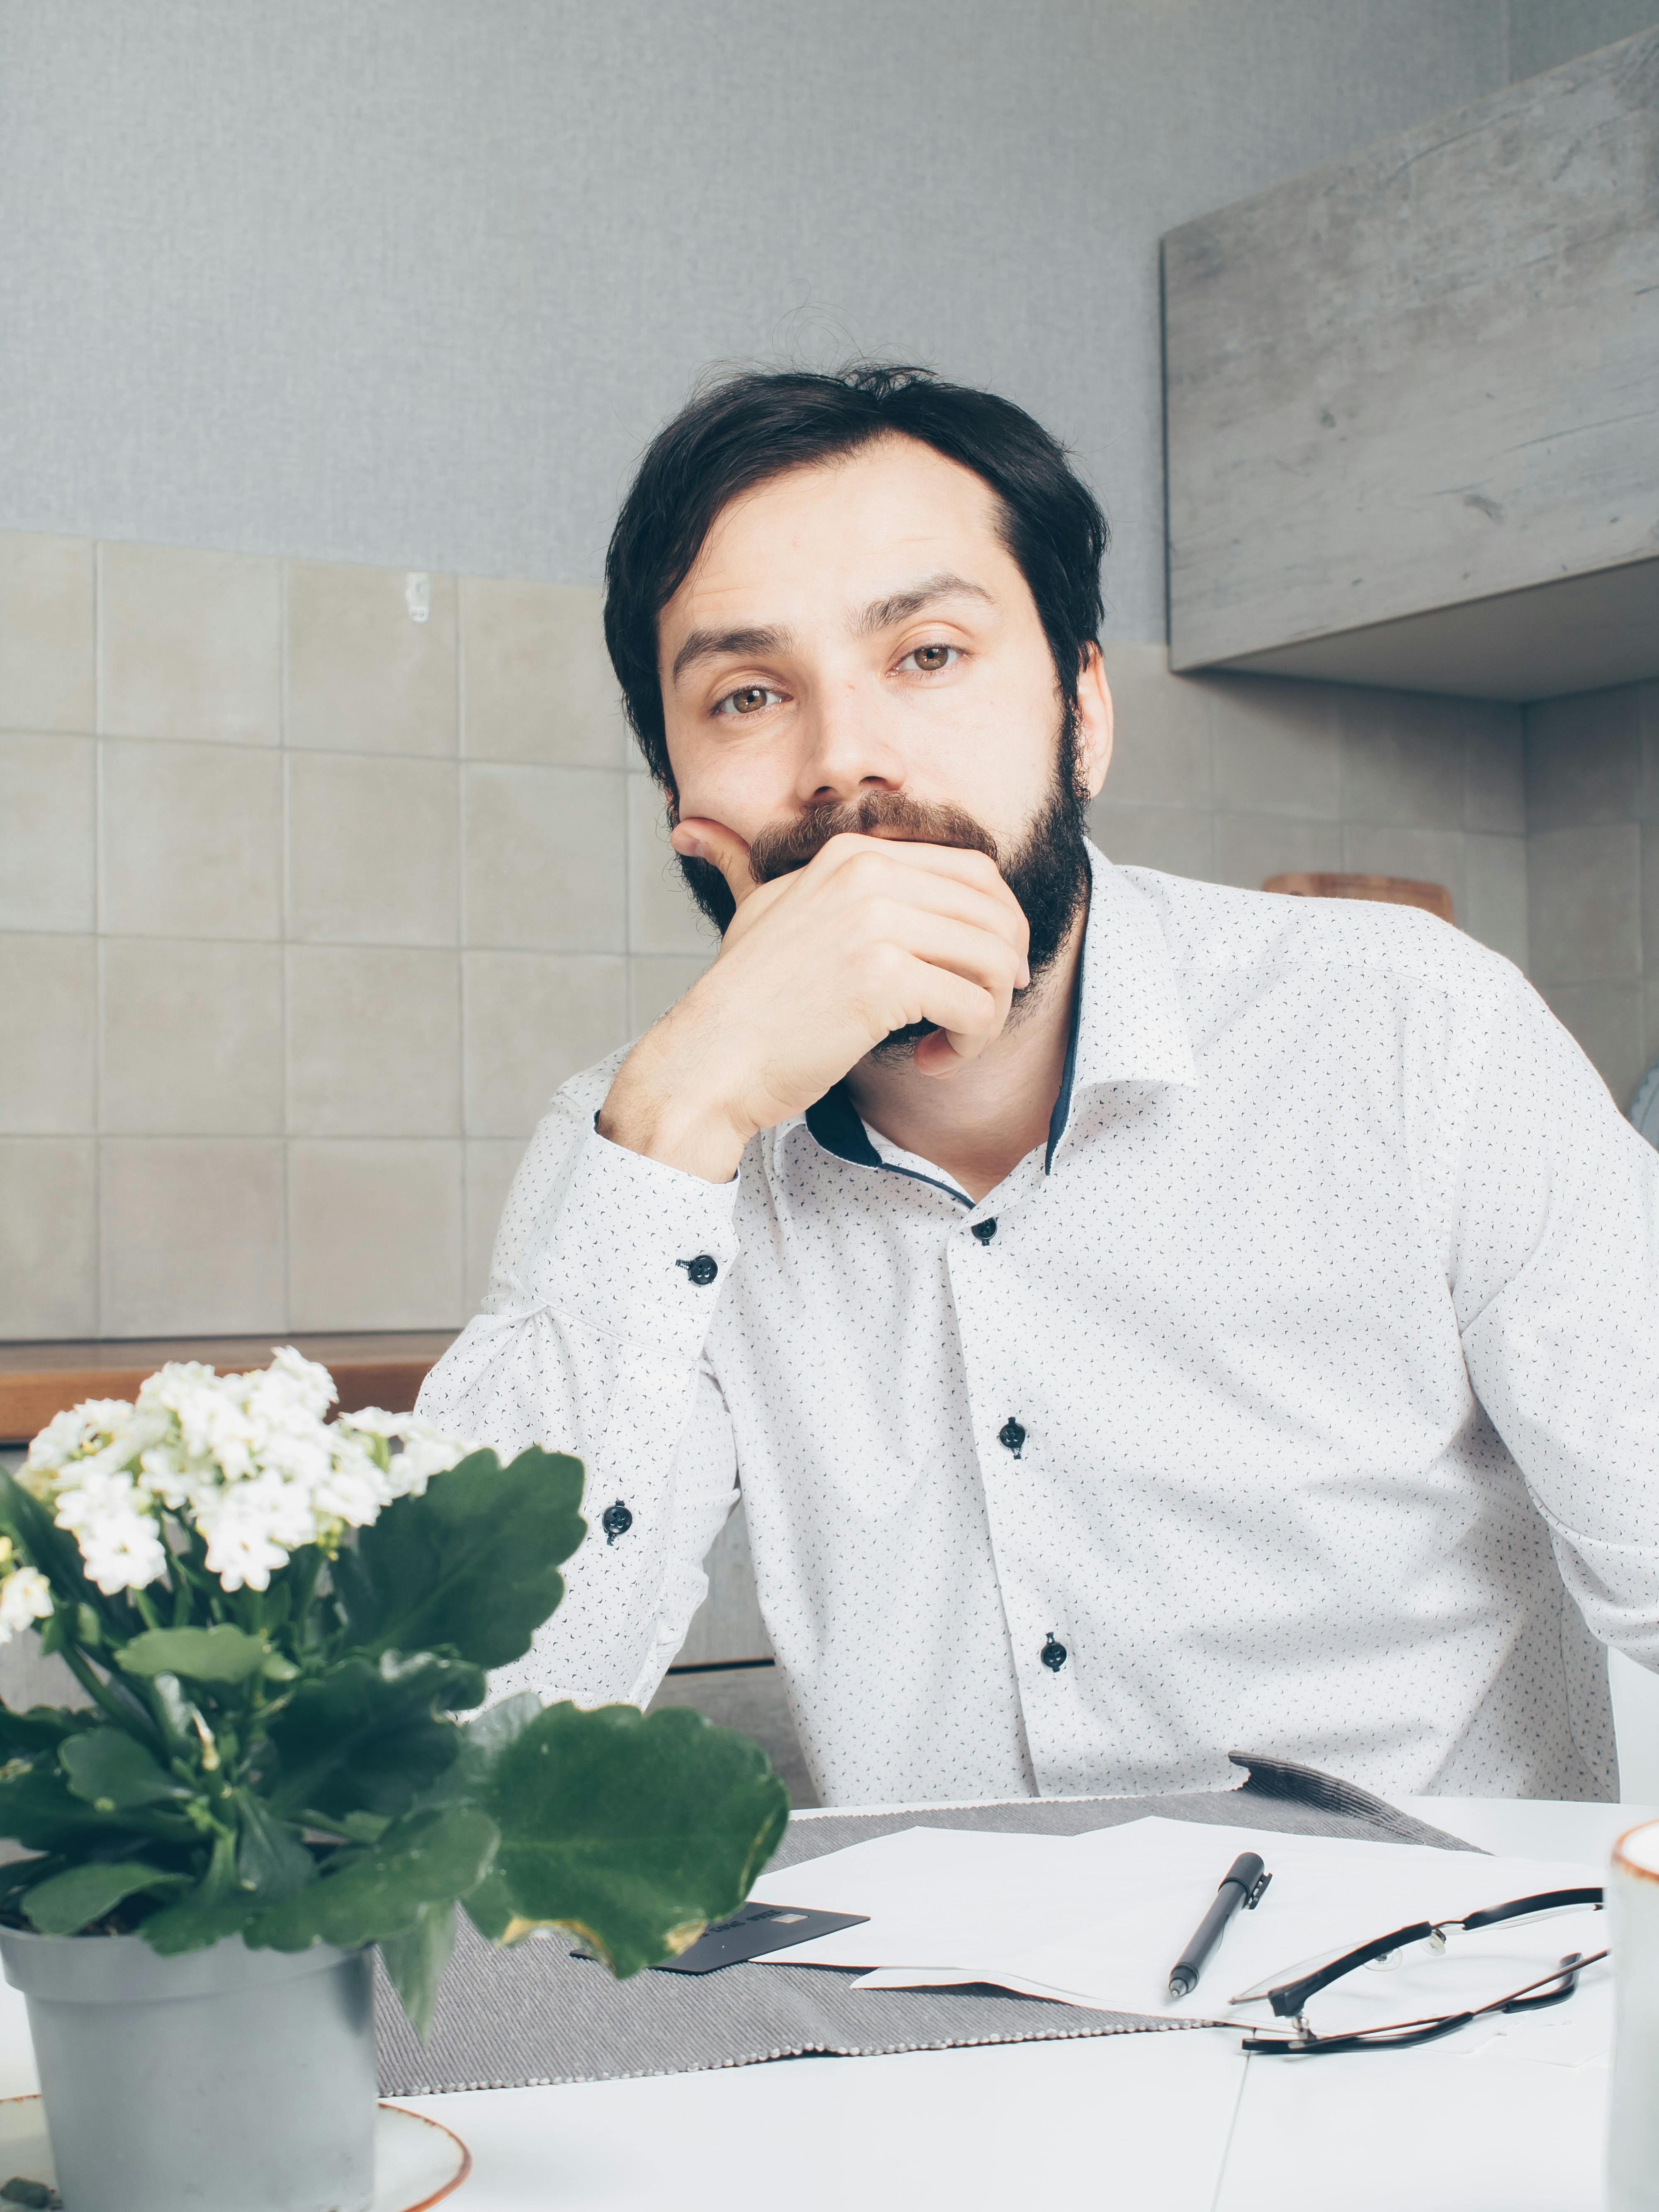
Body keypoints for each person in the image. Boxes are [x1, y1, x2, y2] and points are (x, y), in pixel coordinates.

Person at [420, 362, 1659, 1806]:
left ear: (1083, 714)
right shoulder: (637, 1146)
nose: (847, 763)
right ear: (686, 804)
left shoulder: (1413, 1029)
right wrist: (677, 1127)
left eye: (929, 655)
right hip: (948, 2028)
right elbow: (453, 1761)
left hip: (1440, 1996)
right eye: (749, 694)